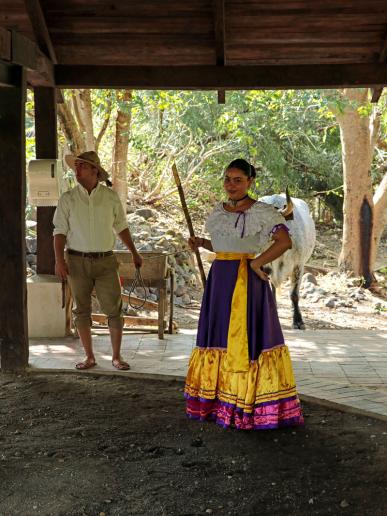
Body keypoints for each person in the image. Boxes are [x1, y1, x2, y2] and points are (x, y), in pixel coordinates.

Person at [184, 159, 304, 430]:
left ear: (250, 181)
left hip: (247, 282)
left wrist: (256, 263)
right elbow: (224, 243)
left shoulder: (263, 212)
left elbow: (285, 242)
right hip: (220, 282)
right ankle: (219, 402)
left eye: (238, 180)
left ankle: (246, 403)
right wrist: (203, 243)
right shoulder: (219, 211)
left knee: (247, 341)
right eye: (228, 179)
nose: (231, 185)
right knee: (218, 337)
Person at [53, 151, 142, 371]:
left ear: (95, 170)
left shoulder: (110, 197)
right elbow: (59, 232)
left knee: (114, 310)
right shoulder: (68, 198)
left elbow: (121, 226)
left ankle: (116, 357)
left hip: (105, 261)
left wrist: (134, 252)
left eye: (82, 166)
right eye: (76, 166)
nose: (77, 169)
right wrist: (58, 260)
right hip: (76, 260)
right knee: (81, 310)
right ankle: (90, 357)